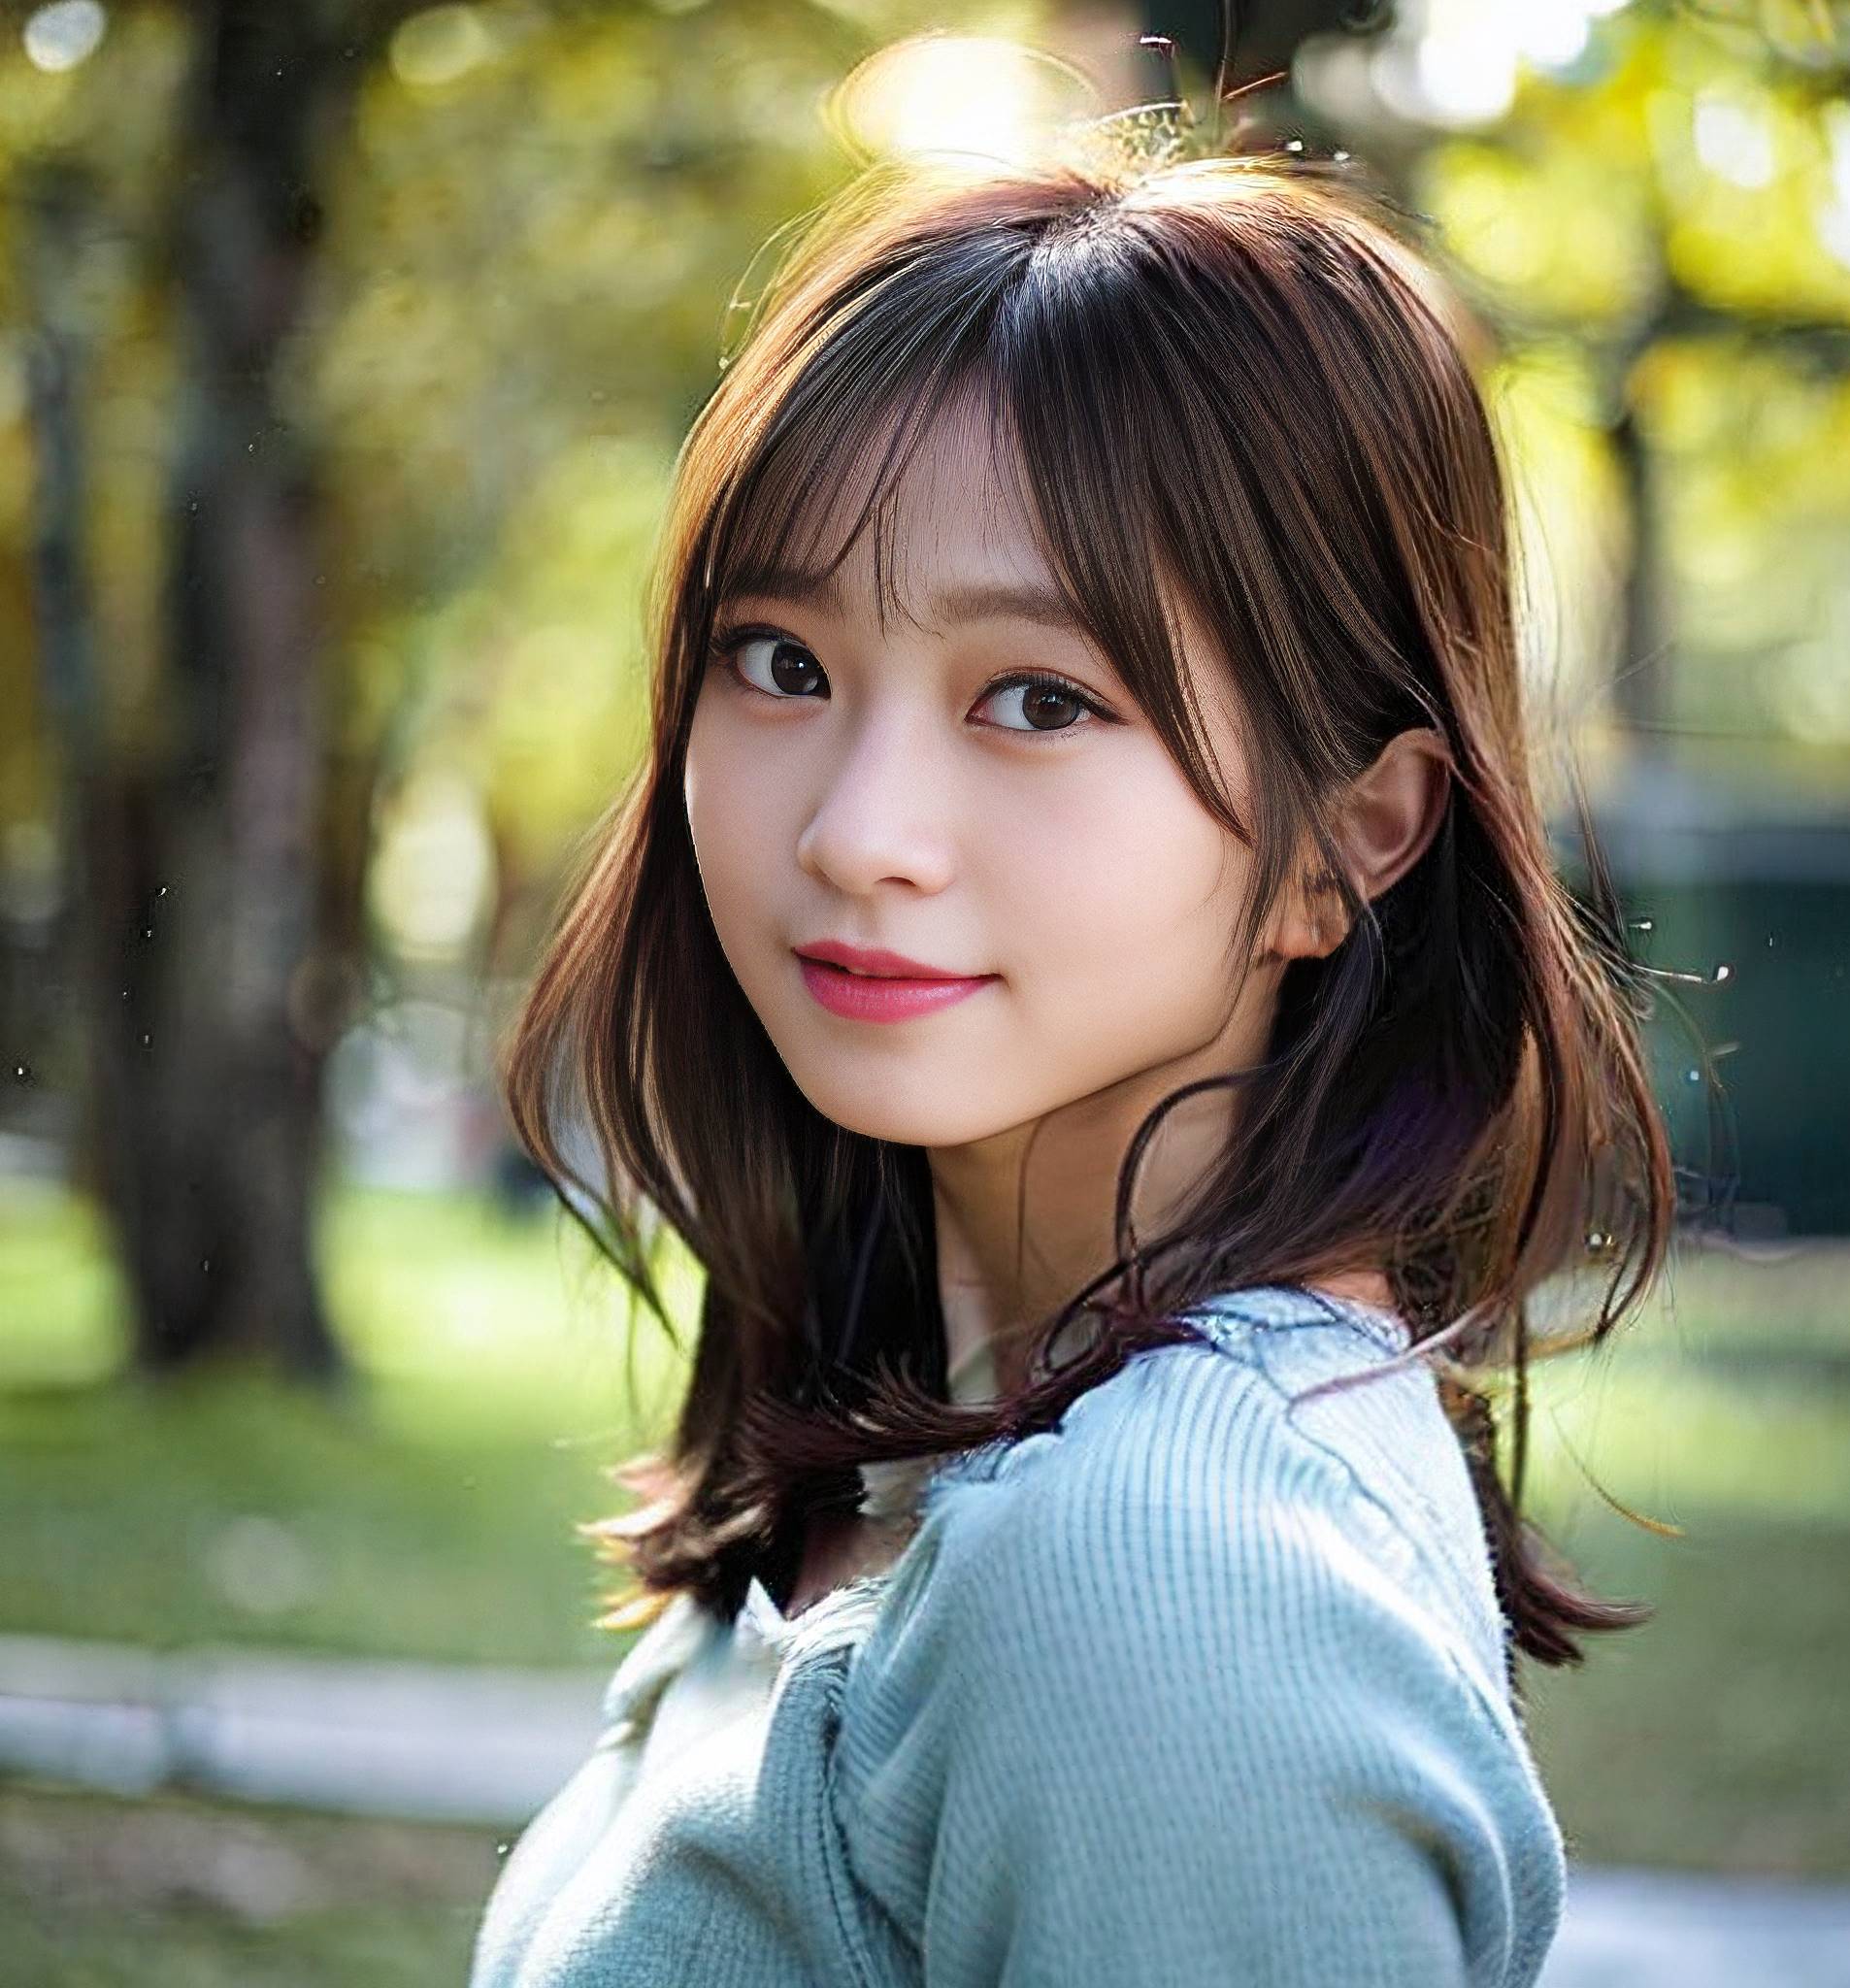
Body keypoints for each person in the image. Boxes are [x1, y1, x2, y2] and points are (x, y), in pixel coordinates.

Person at [469, 102, 1673, 1988]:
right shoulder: (946, 1447)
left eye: (1036, 697)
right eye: (779, 660)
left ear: (1346, 838)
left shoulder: (1163, 1585)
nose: (857, 827)